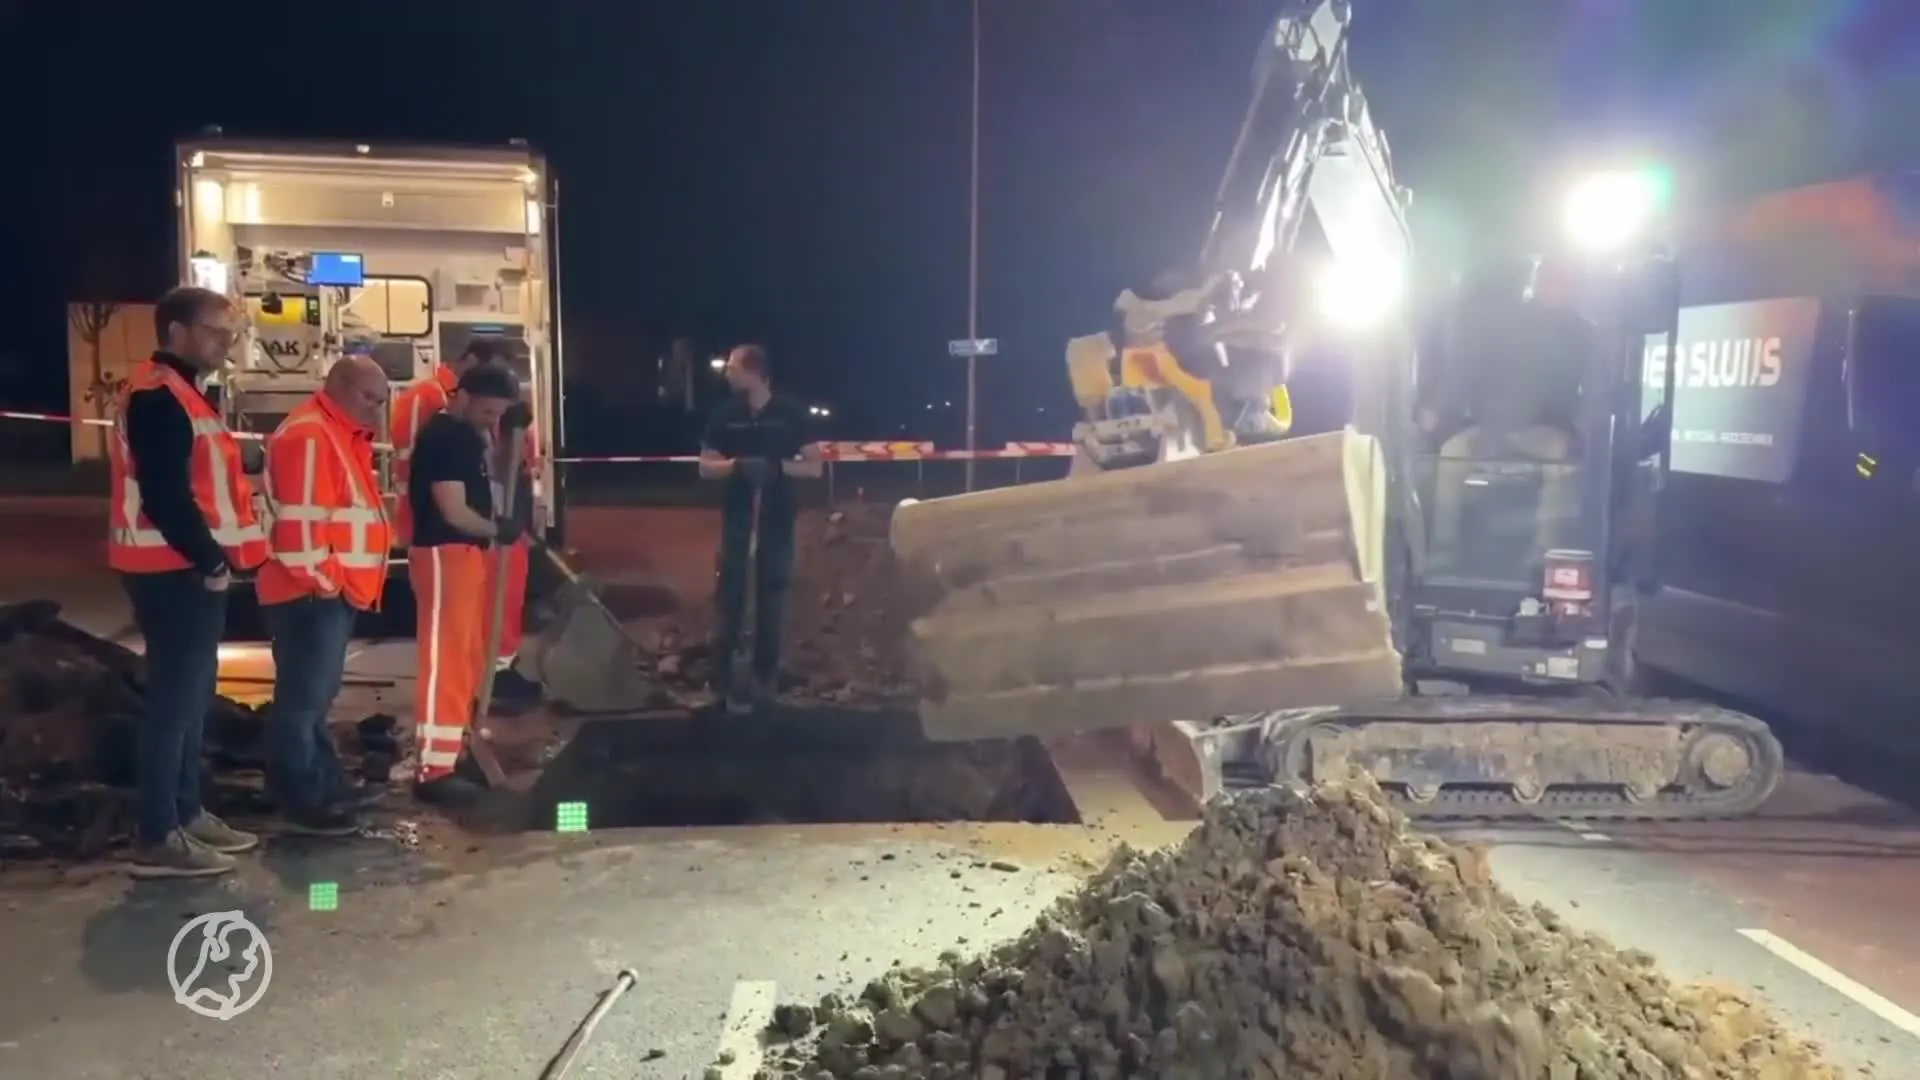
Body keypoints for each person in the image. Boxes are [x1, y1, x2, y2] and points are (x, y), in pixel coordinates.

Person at [107, 286, 269, 877]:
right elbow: (166, 496)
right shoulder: (159, 397)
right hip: (170, 571)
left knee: (191, 701)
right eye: (217, 332)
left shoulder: (183, 395)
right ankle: (156, 835)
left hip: (179, 568)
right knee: (172, 707)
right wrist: (211, 560)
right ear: (176, 330)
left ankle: (186, 812)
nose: (226, 345)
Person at [256, 353, 393, 836]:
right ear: (335, 384)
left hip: (321, 592)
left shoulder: (333, 434)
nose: (376, 409)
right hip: (310, 594)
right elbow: (299, 534)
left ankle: (322, 786)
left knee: (312, 699)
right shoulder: (313, 436)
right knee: (302, 700)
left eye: (380, 400)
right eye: (367, 397)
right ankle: (303, 799)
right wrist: (330, 583)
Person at [404, 364, 525, 804]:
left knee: (469, 654)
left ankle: (454, 748)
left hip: (467, 554)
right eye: (489, 412)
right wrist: (496, 529)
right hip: (444, 552)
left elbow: (488, 479)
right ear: (464, 396)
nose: (493, 421)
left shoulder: (469, 436)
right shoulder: (444, 438)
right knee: (446, 659)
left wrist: (507, 433)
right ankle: (433, 768)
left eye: (500, 415)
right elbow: (453, 510)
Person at [1428, 258, 1591, 561]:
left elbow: (1592, 390)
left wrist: (1583, 433)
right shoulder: (1506, 322)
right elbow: (1468, 369)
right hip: (1492, 427)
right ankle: (1444, 547)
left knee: (1562, 461)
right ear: (1536, 282)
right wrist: (1438, 408)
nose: (1553, 289)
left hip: (1545, 431)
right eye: (1548, 280)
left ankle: (1543, 551)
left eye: (1562, 282)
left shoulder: (1581, 334)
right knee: (1451, 453)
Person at [697, 344, 823, 707]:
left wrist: (779, 468)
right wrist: (736, 466)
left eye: (733, 367)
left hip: (777, 517)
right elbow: (705, 467)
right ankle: (723, 681)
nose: (727, 373)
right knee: (731, 596)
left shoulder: (790, 413)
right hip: (737, 518)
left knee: (771, 596)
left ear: (754, 371)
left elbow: (815, 466)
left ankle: (765, 677)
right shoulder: (725, 414)